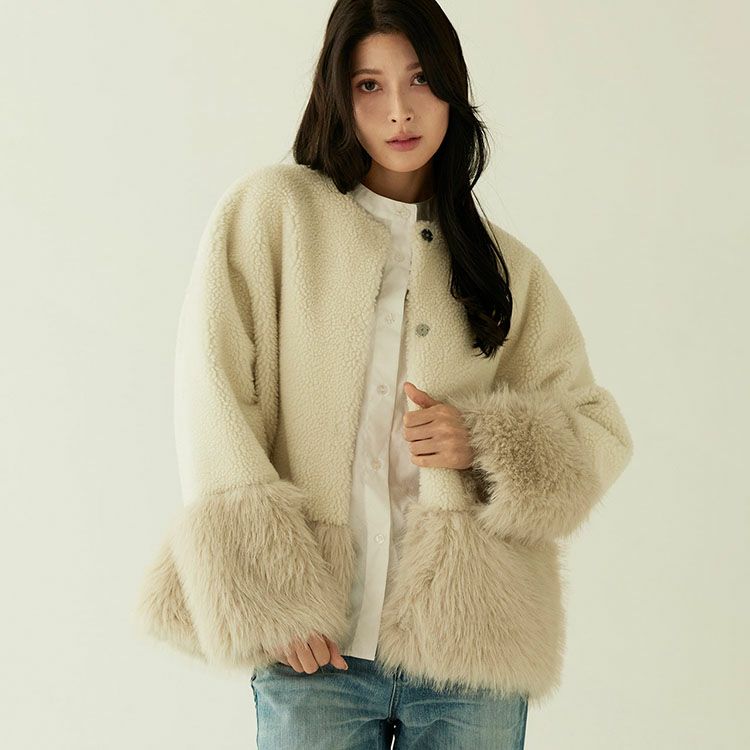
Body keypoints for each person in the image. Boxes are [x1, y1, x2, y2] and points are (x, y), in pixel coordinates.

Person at [134, 1, 634, 748]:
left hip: (470, 654)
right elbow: (211, 395)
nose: (400, 110)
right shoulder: (273, 215)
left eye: (420, 79)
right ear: (338, 95)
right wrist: (272, 600)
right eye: (369, 85)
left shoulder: (505, 268)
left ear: (452, 88)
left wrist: (485, 442)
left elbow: (598, 433)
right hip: (315, 651)